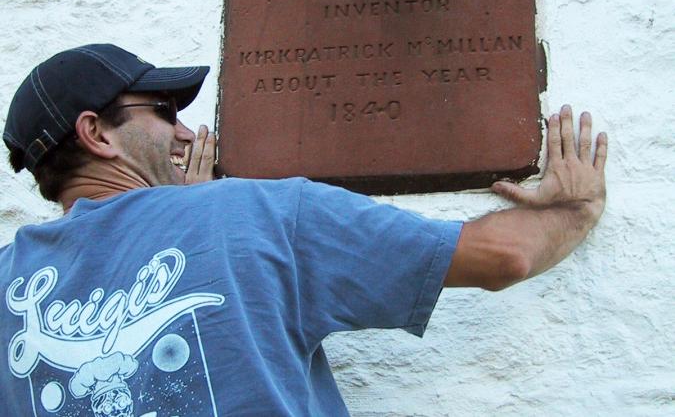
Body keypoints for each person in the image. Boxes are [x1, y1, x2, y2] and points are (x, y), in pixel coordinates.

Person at [0, 44, 607, 416]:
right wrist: (574, 207)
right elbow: (502, 256)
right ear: (96, 133)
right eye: (161, 111)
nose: (184, 132)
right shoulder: (258, 213)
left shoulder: (7, 281)